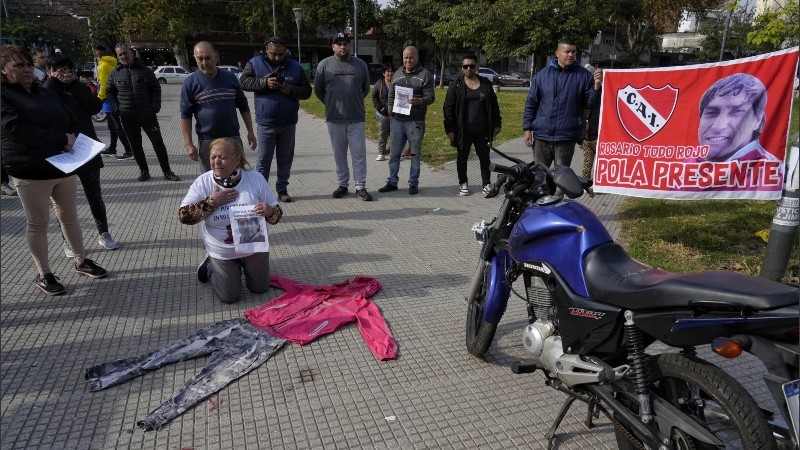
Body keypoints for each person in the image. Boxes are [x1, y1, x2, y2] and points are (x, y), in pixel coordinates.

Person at [1, 45, 107, 295]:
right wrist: (61, 139)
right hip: (30, 169)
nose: (27, 70)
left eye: (28, 64)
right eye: (18, 66)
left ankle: (81, 261)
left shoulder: (45, 91)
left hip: (62, 165)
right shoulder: (4, 96)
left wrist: (71, 135)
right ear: (3, 70)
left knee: (69, 217)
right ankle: (44, 274)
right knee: (38, 223)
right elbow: (16, 129)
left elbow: (69, 116)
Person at [178, 137, 283, 304]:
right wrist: (212, 202)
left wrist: (269, 211)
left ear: (237, 158)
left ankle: (246, 268)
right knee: (229, 297)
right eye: (213, 157)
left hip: (253, 246)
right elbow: (183, 216)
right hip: (223, 249)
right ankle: (211, 265)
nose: (216, 162)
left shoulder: (255, 178)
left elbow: (277, 214)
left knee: (260, 289)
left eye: (222, 157)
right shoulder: (204, 182)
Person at [43, 53, 121, 253]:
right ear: (49, 71)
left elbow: (95, 107)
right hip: (61, 150)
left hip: (86, 148)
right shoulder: (46, 91)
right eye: (58, 69)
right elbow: (48, 108)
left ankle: (104, 233)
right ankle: (67, 239)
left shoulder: (79, 88)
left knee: (95, 194)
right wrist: (54, 82)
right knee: (62, 201)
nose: (64, 73)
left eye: (67, 69)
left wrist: (75, 85)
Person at [240, 36, 311, 203]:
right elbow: (243, 82)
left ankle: (282, 189)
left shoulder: (294, 66)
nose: (278, 57)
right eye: (274, 54)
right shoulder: (255, 63)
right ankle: (260, 192)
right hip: (266, 123)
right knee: (263, 160)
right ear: (266, 50)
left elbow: (307, 90)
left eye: (281, 54)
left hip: (288, 123)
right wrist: (263, 83)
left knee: (285, 159)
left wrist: (292, 90)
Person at [523, 39, 602, 168]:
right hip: (542, 135)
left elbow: (591, 105)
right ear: (557, 53)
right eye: (567, 51)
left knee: (562, 179)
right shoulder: (543, 75)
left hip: (566, 137)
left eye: (573, 52)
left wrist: (597, 87)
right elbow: (531, 103)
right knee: (539, 178)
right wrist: (527, 129)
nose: (570, 55)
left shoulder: (584, 76)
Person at [106, 43, 180, 182]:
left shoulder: (145, 71)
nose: (123, 56)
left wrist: (154, 107)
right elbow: (109, 92)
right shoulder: (115, 73)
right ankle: (144, 171)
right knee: (136, 146)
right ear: (117, 56)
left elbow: (156, 89)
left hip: (147, 115)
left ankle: (167, 171)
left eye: (125, 53)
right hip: (127, 117)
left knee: (158, 143)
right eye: (120, 54)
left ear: (131, 53)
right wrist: (117, 109)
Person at [313, 32, 373, 201]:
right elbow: (318, 90)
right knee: (339, 154)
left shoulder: (360, 64)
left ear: (349, 45)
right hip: (334, 118)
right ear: (333, 46)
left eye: (345, 43)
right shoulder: (324, 65)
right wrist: (331, 103)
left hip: (356, 118)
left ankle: (360, 186)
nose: (342, 46)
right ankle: (343, 184)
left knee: (358, 154)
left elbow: (365, 88)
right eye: (338, 43)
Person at [181, 41, 256, 173]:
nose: (204, 63)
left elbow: (243, 106)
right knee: (211, 179)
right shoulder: (190, 83)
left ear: (216, 56)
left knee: (237, 175)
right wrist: (189, 144)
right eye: (200, 59)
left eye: (208, 58)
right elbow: (185, 116)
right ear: (195, 58)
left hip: (232, 137)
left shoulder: (231, 79)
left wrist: (250, 132)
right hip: (207, 141)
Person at [378, 46, 435, 196]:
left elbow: (431, 97)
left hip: (415, 122)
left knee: (415, 155)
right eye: (405, 57)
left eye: (411, 57)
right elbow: (391, 95)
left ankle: (413, 183)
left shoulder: (425, 75)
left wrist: (420, 101)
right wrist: (391, 112)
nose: (408, 60)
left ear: (417, 58)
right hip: (397, 121)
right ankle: (392, 182)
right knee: (394, 154)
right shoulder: (397, 74)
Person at [443, 54, 502, 197]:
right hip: (463, 130)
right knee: (462, 157)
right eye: (465, 66)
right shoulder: (456, 84)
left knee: (485, 158)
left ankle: (486, 183)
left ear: (476, 67)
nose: (468, 69)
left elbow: (494, 105)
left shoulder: (485, 84)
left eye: (471, 66)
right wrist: (450, 129)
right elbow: (448, 108)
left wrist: (497, 123)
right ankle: (463, 182)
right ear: (462, 68)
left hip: (482, 130)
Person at [696, 73, 775, 162]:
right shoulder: (686, 164)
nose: (717, 126)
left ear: (758, 120)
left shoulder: (766, 170)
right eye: (711, 113)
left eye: (736, 112)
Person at [94, 45, 133, 159]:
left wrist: (98, 98)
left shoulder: (102, 66)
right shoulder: (112, 63)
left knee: (117, 127)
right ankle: (112, 148)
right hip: (115, 97)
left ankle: (129, 151)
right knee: (112, 126)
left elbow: (104, 85)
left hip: (108, 100)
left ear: (98, 56)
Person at [372, 64, 393, 161]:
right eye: (387, 71)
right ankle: (381, 152)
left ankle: (392, 152)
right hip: (383, 114)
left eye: (391, 71)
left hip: (395, 115)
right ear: (384, 73)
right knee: (383, 133)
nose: (390, 73)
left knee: (394, 134)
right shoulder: (379, 84)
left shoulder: (397, 83)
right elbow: (374, 97)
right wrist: (381, 108)